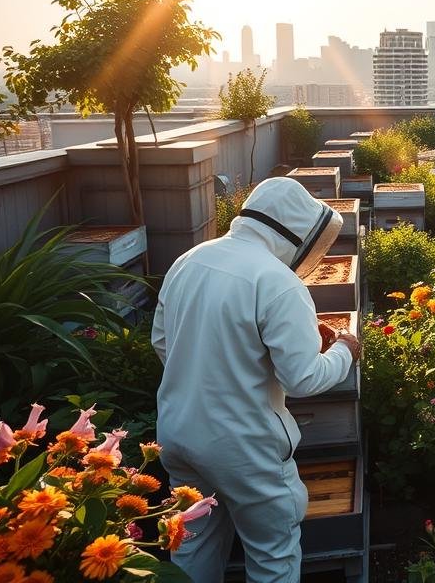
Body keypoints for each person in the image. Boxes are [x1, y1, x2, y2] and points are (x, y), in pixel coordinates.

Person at [152, 177, 361, 582]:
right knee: (273, 559)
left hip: (178, 434)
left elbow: (164, 342)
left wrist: (218, 366)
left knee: (192, 547)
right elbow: (302, 379)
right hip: (244, 449)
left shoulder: (189, 260)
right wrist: (345, 351)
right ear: (296, 232)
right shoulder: (277, 281)